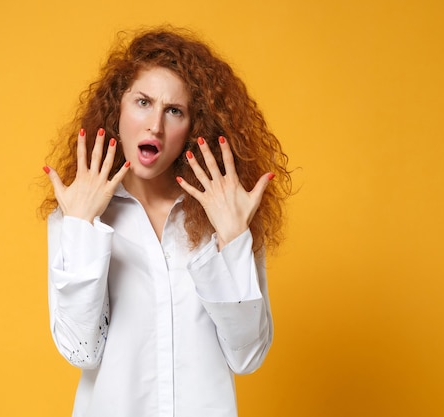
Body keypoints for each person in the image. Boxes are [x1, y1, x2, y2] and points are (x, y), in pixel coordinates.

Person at [41, 26, 292, 417]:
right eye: (142, 102)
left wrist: (233, 238)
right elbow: (81, 351)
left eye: (174, 111)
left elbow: (248, 357)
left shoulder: (223, 215)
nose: (155, 125)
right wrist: (80, 229)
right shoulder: (77, 214)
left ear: (193, 128)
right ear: (117, 109)